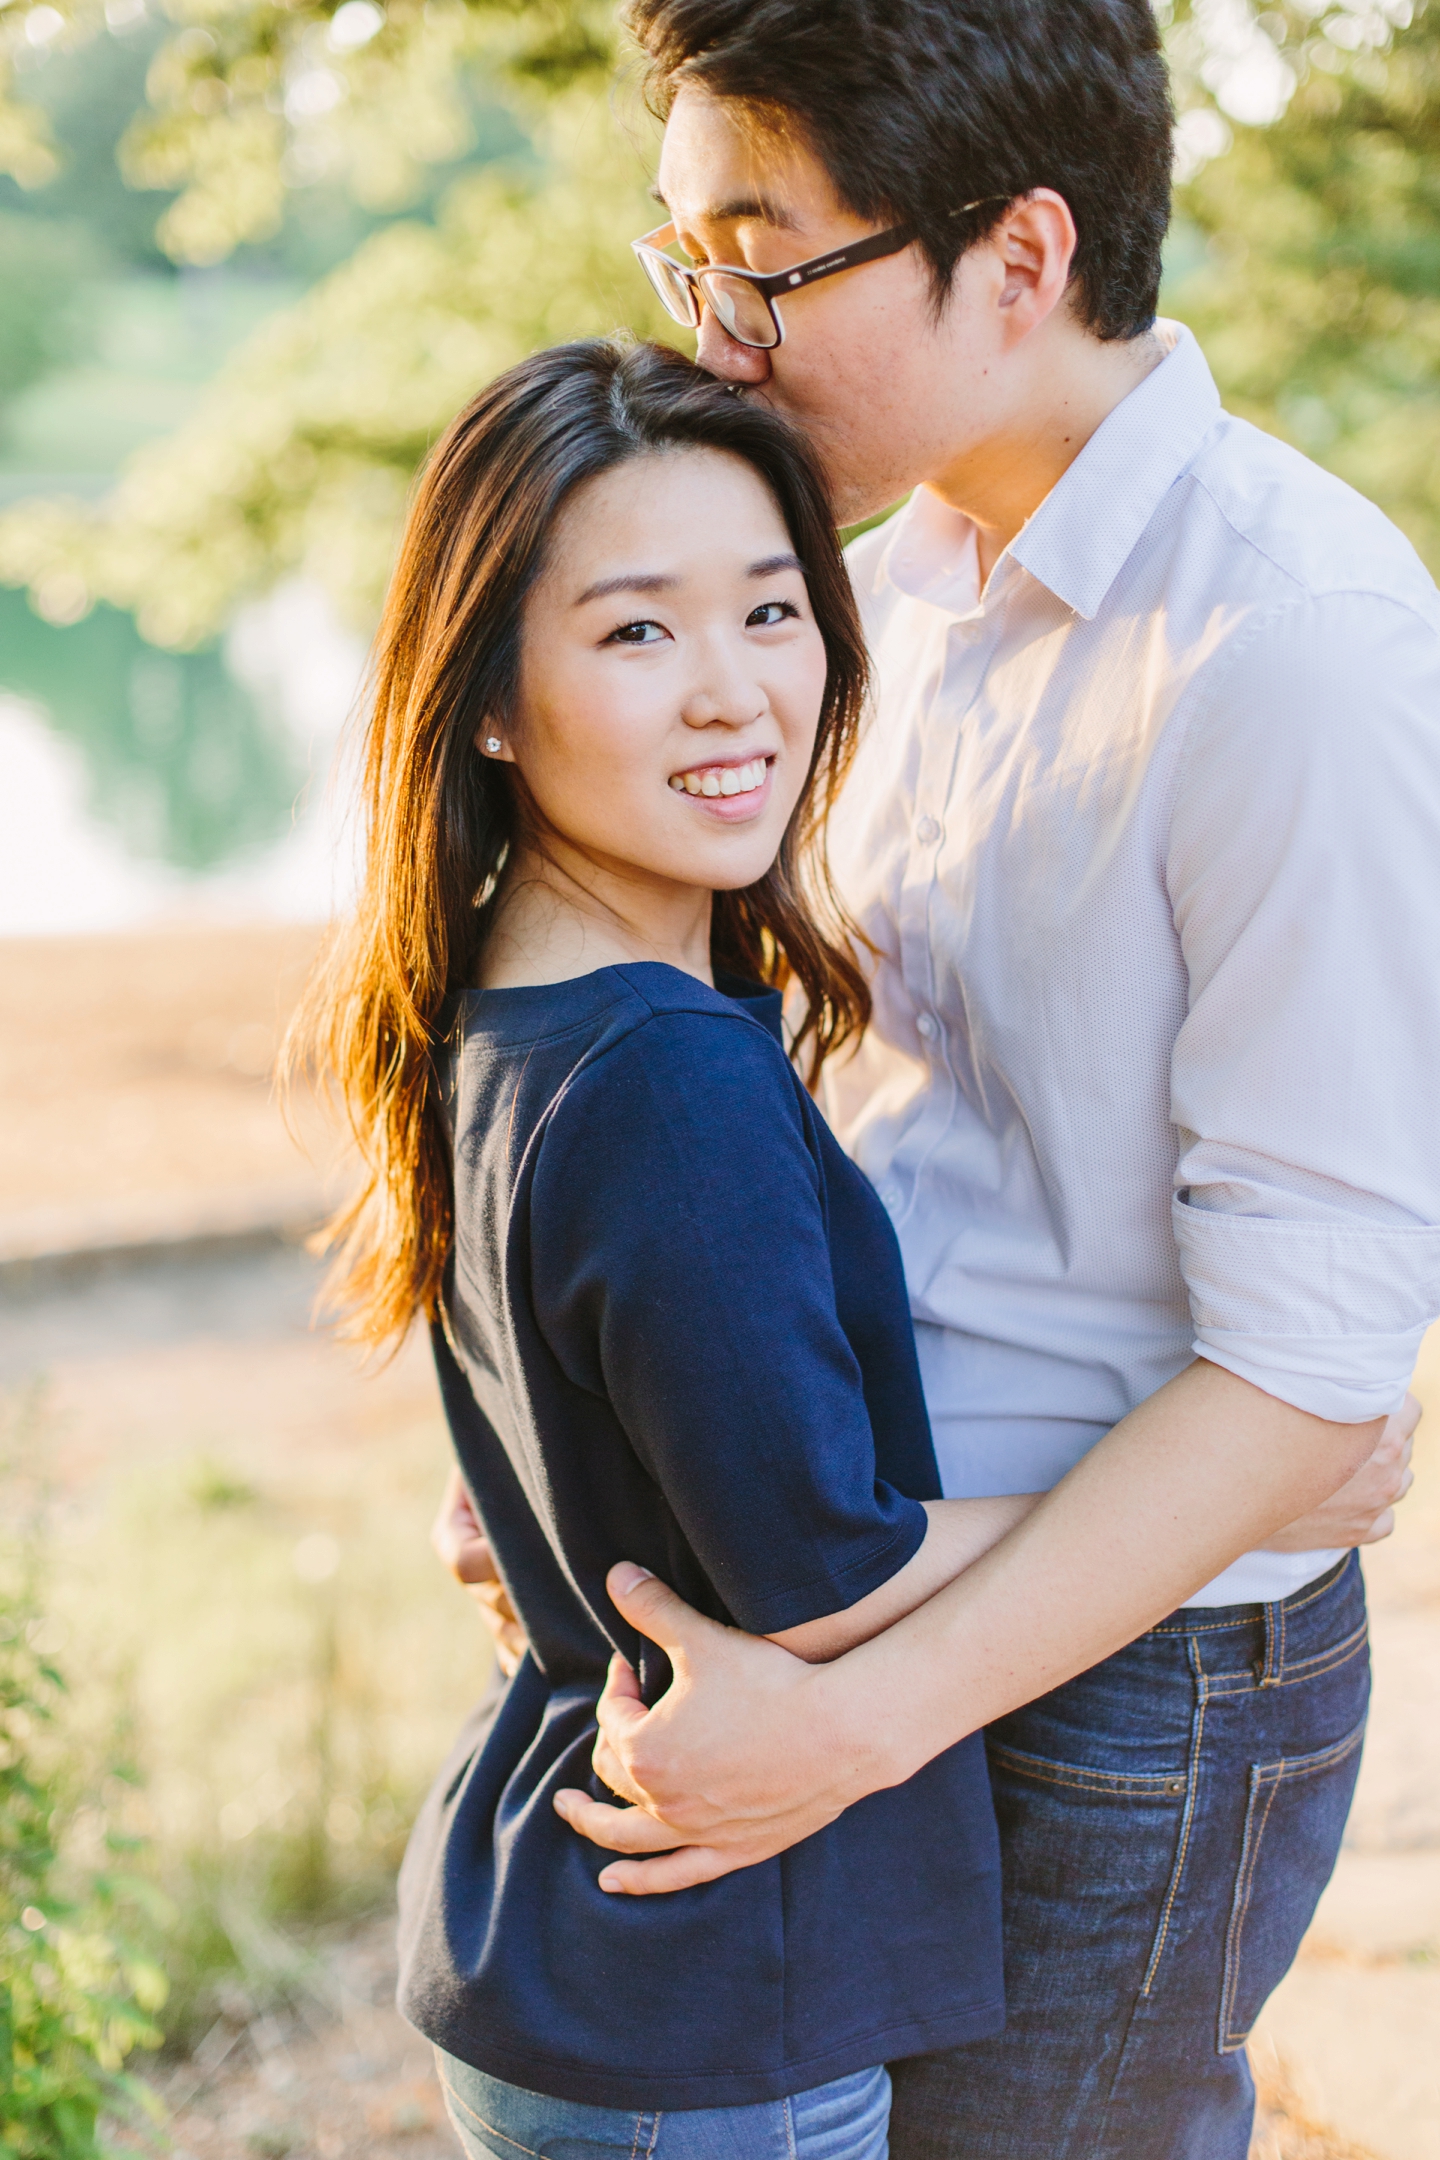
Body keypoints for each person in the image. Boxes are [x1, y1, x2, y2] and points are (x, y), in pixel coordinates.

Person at [487, 4, 1440, 2156]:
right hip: (845, 1568)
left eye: (765, 260)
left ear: (1016, 260)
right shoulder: (869, 593)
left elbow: (1315, 1369)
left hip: (1132, 1677)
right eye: (684, 264)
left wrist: (862, 1718)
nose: (715, 339)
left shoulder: (1292, 651)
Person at [306, 334, 1047, 2160]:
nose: (735, 695)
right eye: (638, 632)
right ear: (489, 696)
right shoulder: (663, 1078)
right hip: (706, 2002)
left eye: (773, 613)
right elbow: (816, 1570)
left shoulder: (500, 996)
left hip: (581, 1947)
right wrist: (1173, 1501)